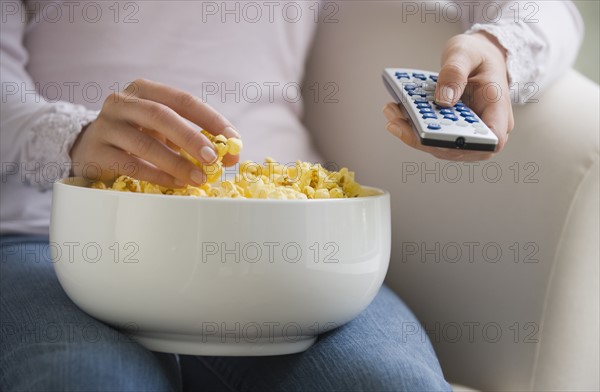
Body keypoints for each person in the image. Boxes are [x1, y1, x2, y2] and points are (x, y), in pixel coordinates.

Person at [0, 1, 583, 390]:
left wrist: (499, 48)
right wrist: (72, 137)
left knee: (385, 385)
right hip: (55, 233)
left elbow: (551, 13)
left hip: (289, 241)